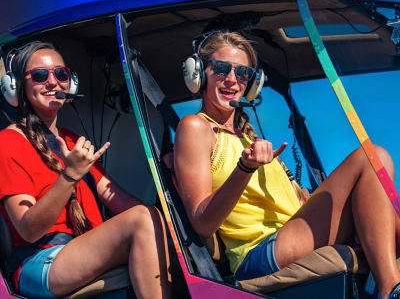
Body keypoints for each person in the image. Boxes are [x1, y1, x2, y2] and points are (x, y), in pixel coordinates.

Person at [174, 31, 400, 299]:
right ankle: (390, 291)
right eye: (222, 69)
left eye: (243, 73)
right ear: (199, 72)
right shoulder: (195, 127)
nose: (232, 79)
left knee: (381, 202)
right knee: (373, 158)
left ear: (252, 83)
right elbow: (202, 222)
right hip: (258, 254)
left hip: (291, 235)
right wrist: (244, 169)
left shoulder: (250, 137)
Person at [0, 41, 171, 299]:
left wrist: (170, 227)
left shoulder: (72, 141)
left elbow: (119, 199)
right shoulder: (8, 142)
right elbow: (28, 230)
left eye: (61, 74)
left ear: (71, 83)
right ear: (16, 87)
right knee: (141, 219)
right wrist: (70, 175)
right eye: (39, 75)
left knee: (151, 217)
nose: (52, 82)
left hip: (79, 251)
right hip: (39, 259)